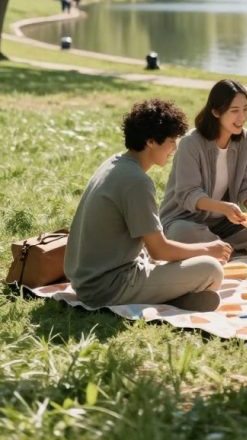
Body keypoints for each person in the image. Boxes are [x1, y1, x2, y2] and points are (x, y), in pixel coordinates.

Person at [64, 99, 229, 311]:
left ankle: (171, 297)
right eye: (171, 141)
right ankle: (168, 298)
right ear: (151, 141)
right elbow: (159, 250)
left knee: (188, 255)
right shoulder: (136, 181)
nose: (174, 149)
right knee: (211, 269)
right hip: (107, 287)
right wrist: (208, 249)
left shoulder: (115, 162)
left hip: (85, 280)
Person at [160, 79, 247, 255]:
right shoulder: (191, 143)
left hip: (224, 225)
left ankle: (219, 249)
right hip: (186, 221)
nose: (242, 117)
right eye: (234, 111)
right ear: (216, 112)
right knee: (180, 233)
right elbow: (187, 194)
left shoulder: (246, 140)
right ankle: (227, 249)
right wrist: (224, 208)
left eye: (246, 109)